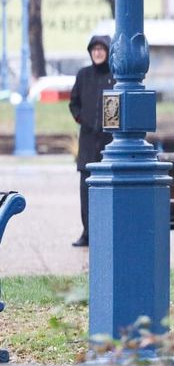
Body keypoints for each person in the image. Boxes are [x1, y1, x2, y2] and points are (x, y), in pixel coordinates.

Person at [67, 35, 115, 247]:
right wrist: (81, 118)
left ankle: (108, 233)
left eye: (101, 49)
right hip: (87, 143)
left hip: (109, 144)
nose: (97, 53)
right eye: (94, 49)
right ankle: (87, 233)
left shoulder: (115, 77)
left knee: (109, 191)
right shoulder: (83, 75)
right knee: (86, 191)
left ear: (108, 52)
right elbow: (73, 102)